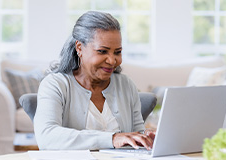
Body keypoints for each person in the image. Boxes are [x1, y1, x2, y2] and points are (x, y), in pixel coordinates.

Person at [34, 11, 155, 150]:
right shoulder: (55, 85)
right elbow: (46, 137)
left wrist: (146, 138)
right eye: (102, 51)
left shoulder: (126, 84)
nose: (112, 60)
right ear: (79, 48)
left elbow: (136, 133)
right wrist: (112, 138)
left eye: (117, 52)